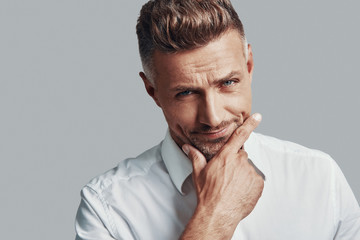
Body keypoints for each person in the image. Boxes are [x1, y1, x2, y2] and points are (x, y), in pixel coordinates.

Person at [75, 0, 360, 239]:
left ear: (249, 66)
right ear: (152, 91)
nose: (212, 117)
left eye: (228, 83)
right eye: (186, 93)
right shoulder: (108, 208)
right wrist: (215, 216)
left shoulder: (319, 179)